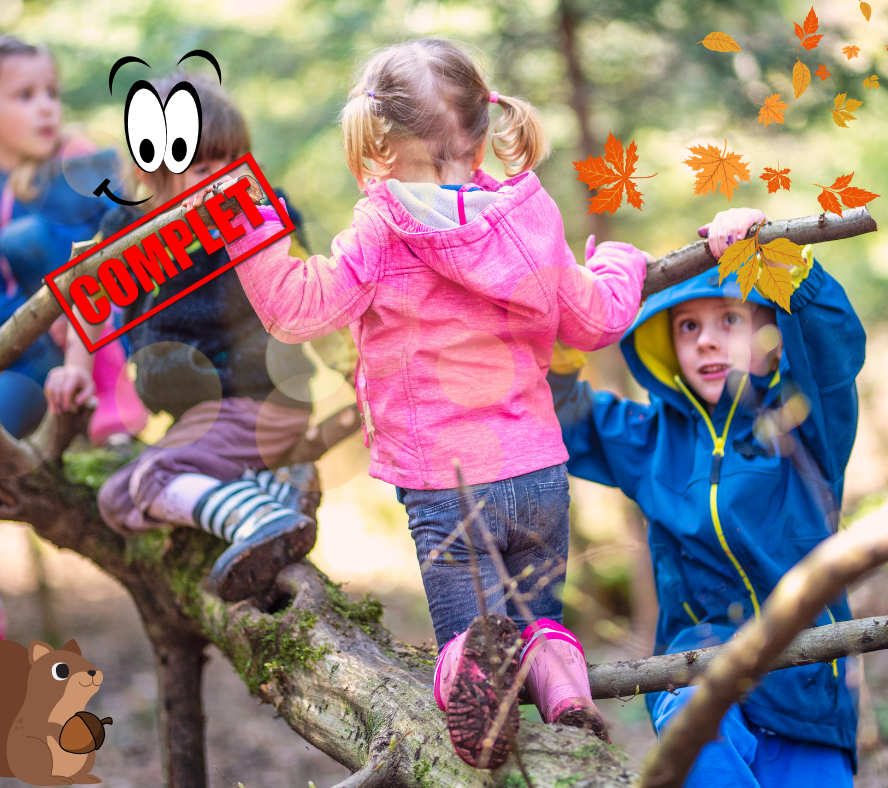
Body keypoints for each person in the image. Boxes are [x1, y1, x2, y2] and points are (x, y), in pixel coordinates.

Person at [187, 38, 649, 768]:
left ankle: (472, 693)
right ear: (480, 126)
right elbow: (594, 320)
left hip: (447, 483)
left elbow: (297, 310)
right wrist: (622, 262)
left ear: (377, 138)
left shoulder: (383, 227)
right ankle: (564, 691)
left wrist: (247, 228)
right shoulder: (529, 217)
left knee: (469, 642)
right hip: (538, 473)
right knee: (537, 621)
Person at [550, 207, 862, 787]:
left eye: (728, 319)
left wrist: (773, 254)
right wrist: (574, 308)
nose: (707, 341)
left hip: (808, 692)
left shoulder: (802, 422)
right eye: (687, 327)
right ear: (666, 344)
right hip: (700, 675)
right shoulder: (651, 440)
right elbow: (559, 410)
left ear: (768, 334)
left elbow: (832, 343)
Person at [45, 73, 322, 610]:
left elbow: (309, 289)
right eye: (198, 167)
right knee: (115, 499)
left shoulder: (255, 214)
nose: (219, 179)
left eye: (230, 163)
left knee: (153, 478)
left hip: (260, 402)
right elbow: (89, 301)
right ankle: (269, 495)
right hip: (199, 417)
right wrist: (77, 367)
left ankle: (262, 519)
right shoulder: (127, 227)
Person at [0, 34, 128, 756]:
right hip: (21, 368)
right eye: (25, 95)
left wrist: (78, 348)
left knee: (32, 239)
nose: (47, 106)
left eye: (50, 91)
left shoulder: (76, 173)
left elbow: (110, 272)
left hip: (101, 352)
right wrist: (18, 323)